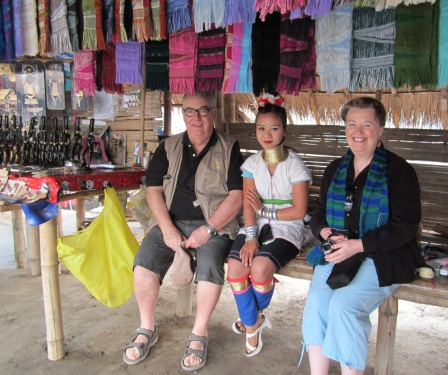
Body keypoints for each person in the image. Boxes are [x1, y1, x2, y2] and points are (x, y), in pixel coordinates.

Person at [302, 97, 425, 375]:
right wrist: (326, 233)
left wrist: (358, 245)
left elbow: (406, 226)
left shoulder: (398, 171)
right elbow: (318, 213)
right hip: (337, 252)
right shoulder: (336, 168)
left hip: (383, 255)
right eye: (352, 124)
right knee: (318, 306)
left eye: (367, 125)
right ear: (345, 128)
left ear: (381, 129)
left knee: (344, 307)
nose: (359, 131)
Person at [123, 91, 243, 372]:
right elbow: (152, 190)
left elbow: (237, 196)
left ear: (213, 114)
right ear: (182, 114)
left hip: (214, 226)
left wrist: (209, 228)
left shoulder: (230, 147)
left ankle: (199, 333)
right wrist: (166, 228)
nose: (196, 117)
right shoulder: (168, 147)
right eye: (190, 111)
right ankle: (146, 328)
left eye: (203, 111)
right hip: (170, 223)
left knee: (210, 265)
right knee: (143, 266)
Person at [227, 93, 311, 357]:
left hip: (288, 227)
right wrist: (251, 236)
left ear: (284, 131)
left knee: (260, 269)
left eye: (274, 128)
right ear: (256, 130)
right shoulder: (251, 164)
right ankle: (255, 322)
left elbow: (299, 210)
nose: (267, 134)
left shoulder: (294, 165)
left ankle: (250, 324)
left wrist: (266, 211)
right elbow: (249, 206)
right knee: (236, 266)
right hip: (256, 223)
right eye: (261, 128)